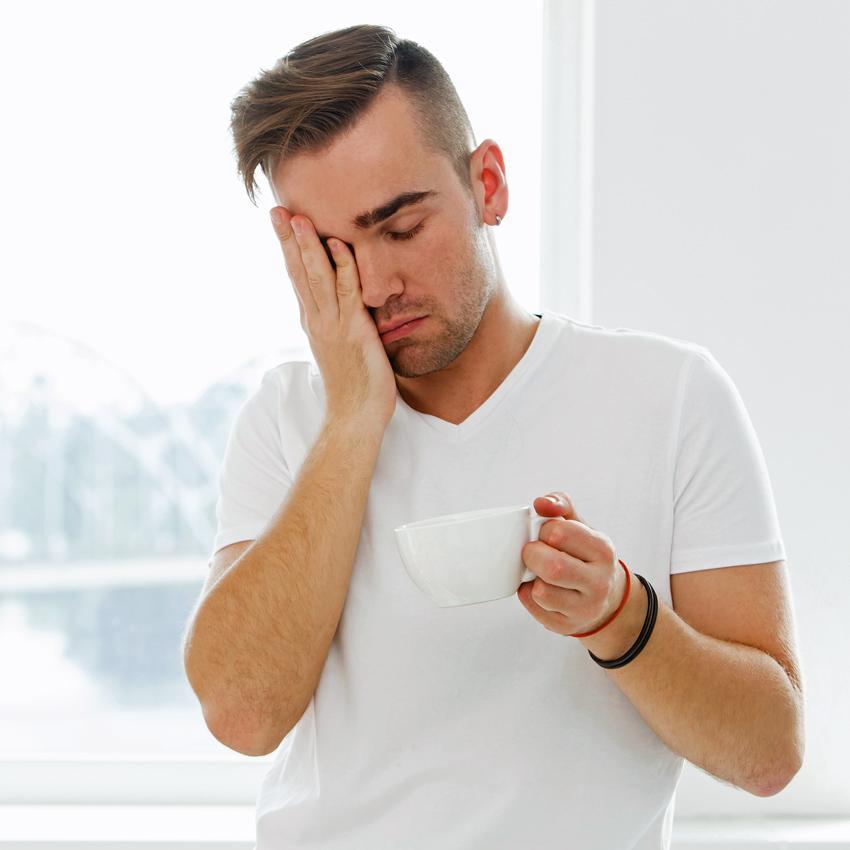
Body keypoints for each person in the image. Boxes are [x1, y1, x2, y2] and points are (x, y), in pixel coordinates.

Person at [183, 24, 804, 850]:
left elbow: (769, 753)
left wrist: (623, 618)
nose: (374, 286)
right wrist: (353, 419)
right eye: (335, 254)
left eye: (401, 229)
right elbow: (242, 715)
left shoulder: (671, 398)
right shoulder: (288, 418)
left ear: (489, 184)